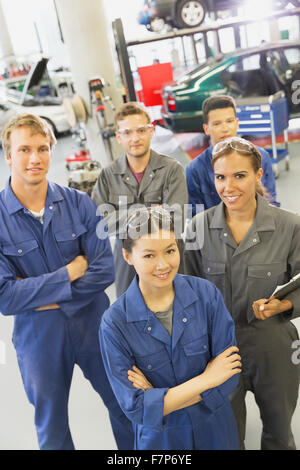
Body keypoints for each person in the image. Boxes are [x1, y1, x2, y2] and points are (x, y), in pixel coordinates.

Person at [0, 114, 134, 450]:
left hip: (95, 322)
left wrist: (43, 294)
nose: (35, 158)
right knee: (52, 424)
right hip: (38, 335)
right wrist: (70, 272)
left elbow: (103, 269)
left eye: (42, 148)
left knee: (126, 405)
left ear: (51, 150)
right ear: (8, 155)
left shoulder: (79, 203)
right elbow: (5, 297)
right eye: (24, 149)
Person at [184, 136, 300, 450]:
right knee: (224, 437)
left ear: (259, 175)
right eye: (220, 177)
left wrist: (283, 305)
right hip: (217, 351)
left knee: (278, 434)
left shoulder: (289, 227)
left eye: (240, 175)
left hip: (273, 347)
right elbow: (184, 291)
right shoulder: (197, 229)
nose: (229, 186)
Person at [99, 207, 241, 450]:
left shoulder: (206, 295)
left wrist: (160, 400)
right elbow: (137, 408)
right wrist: (206, 379)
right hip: (161, 440)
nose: (163, 265)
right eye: (149, 256)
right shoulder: (115, 323)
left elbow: (229, 375)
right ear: (127, 256)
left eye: (170, 251)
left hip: (215, 431)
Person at [92, 102, 188, 297]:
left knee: (178, 311)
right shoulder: (108, 176)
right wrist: (151, 213)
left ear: (151, 131)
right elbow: (100, 222)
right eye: (127, 132)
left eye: (141, 130)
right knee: (130, 315)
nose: (135, 138)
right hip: (128, 261)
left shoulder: (172, 170)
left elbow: (176, 220)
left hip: (168, 259)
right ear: (118, 137)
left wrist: (122, 218)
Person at [186, 95, 280, 217]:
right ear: (206, 129)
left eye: (229, 121)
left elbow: (270, 201)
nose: (225, 128)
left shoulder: (261, 156)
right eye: (217, 124)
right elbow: (195, 217)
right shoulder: (194, 170)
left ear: (237, 123)